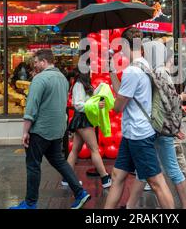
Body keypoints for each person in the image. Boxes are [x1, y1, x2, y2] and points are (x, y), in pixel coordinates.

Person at [10, 49, 90, 209]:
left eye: (36, 62)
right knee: (59, 161)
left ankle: (30, 204)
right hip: (57, 130)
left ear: (44, 62)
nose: (35, 65)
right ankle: (80, 192)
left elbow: (31, 108)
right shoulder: (62, 78)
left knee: (33, 165)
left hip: (40, 130)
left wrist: (25, 131)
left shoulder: (39, 79)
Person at [104, 28, 175, 209]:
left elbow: (119, 106)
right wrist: (112, 70)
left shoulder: (132, 71)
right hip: (132, 134)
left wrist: (109, 103)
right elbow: (125, 92)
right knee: (117, 176)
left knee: (157, 182)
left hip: (139, 134)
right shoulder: (143, 65)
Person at [125, 41, 186, 209]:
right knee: (155, 171)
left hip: (156, 127)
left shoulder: (154, 71)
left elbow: (165, 99)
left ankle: (131, 206)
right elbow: (169, 100)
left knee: (156, 171)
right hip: (159, 128)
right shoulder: (159, 71)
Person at [65, 68, 112, 188]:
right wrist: (96, 104)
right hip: (83, 119)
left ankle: (66, 178)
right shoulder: (79, 84)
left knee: (75, 150)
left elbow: (89, 99)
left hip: (83, 119)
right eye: (89, 70)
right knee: (94, 149)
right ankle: (105, 178)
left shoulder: (83, 84)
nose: (91, 72)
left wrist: (100, 87)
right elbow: (78, 104)